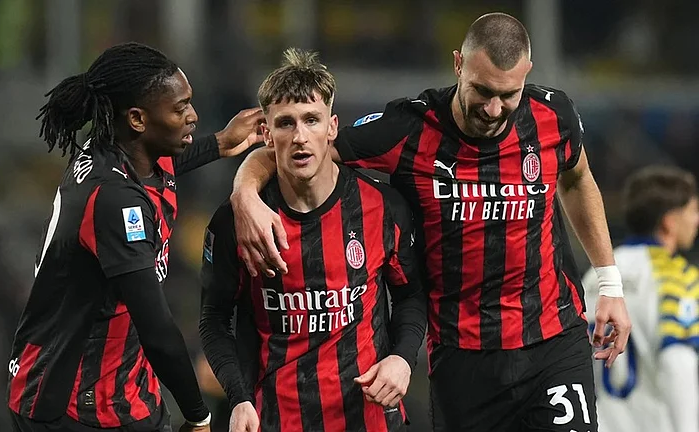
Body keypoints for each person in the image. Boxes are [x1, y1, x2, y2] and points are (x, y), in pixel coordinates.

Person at [229, 13, 632, 432]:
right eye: (482, 91)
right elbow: (306, 148)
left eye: (508, 95)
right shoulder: (407, 128)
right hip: (462, 354)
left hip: (553, 338)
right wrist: (245, 193)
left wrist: (610, 284)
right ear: (459, 64)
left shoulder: (554, 116)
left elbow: (578, 177)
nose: (494, 109)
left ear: (527, 74)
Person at [7, 42, 264, 432]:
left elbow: (168, 159)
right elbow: (157, 328)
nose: (193, 116)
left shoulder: (122, 149)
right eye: (180, 109)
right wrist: (198, 416)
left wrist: (222, 143)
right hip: (74, 402)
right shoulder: (112, 199)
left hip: (126, 387)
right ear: (138, 119)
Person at [199, 48, 427, 432]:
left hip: (369, 420)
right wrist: (238, 398)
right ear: (267, 134)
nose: (301, 136)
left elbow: (410, 294)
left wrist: (403, 358)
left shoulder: (383, 207)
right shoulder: (235, 223)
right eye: (286, 123)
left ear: (333, 127)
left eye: (312, 120)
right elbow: (214, 320)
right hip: (275, 418)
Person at [583, 166, 699, 432]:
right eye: (693, 211)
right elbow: (677, 362)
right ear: (669, 220)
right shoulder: (676, 276)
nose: (697, 220)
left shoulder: (595, 276)